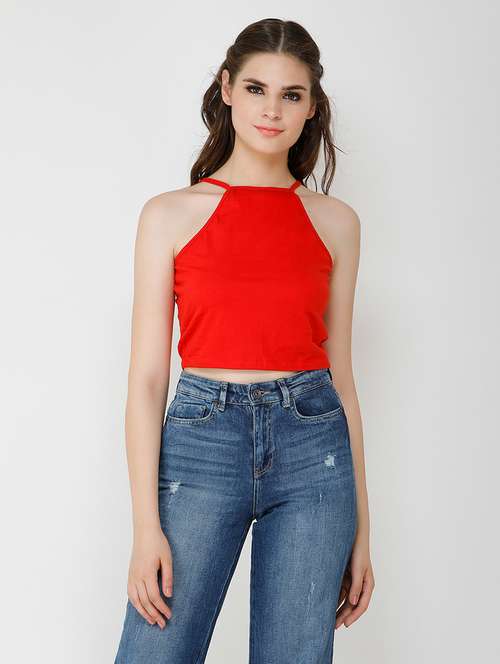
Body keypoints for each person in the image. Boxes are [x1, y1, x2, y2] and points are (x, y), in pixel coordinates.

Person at [114, 17, 374, 664]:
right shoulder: (169, 215)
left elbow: (342, 380)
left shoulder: (336, 223)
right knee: (154, 650)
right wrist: (145, 527)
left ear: (311, 107)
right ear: (227, 89)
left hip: (314, 450)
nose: (272, 110)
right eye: (257, 88)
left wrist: (363, 530)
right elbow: (147, 380)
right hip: (201, 442)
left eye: (291, 94)